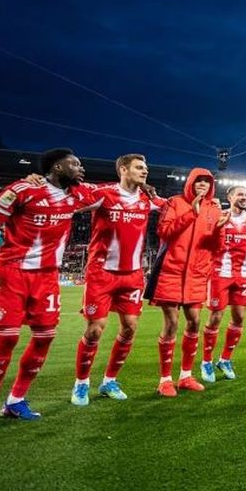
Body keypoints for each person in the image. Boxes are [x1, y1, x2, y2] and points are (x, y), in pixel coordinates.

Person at [0, 148, 96, 430]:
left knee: (44, 338)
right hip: (12, 273)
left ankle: (16, 400)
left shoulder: (78, 195)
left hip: (48, 276)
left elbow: (113, 192)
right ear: (56, 166)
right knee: (6, 340)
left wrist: (144, 188)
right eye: (75, 164)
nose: (81, 168)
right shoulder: (23, 190)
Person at [68, 154, 165, 405]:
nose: (145, 171)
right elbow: (69, 198)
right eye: (140, 167)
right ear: (123, 169)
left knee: (130, 327)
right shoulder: (104, 193)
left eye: (146, 168)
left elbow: (174, 207)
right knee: (94, 330)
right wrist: (40, 181)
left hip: (133, 275)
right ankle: (81, 383)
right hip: (102, 273)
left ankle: (109, 380)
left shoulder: (147, 198)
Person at [147, 168, 221, 395]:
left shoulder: (214, 209)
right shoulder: (175, 203)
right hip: (171, 271)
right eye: (198, 181)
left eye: (206, 182)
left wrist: (219, 230)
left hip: (197, 275)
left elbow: (216, 247)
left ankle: (186, 376)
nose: (202, 185)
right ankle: (165, 380)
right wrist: (192, 213)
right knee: (171, 324)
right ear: (190, 183)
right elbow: (164, 232)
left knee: (195, 322)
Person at [206, 184, 246, 380]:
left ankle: (225, 359)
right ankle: (206, 361)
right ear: (229, 197)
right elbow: (206, 240)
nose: (244, 197)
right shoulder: (219, 216)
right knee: (215, 318)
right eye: (240, 194)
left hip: (243, 276)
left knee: (239, 319)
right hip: (220, 274)